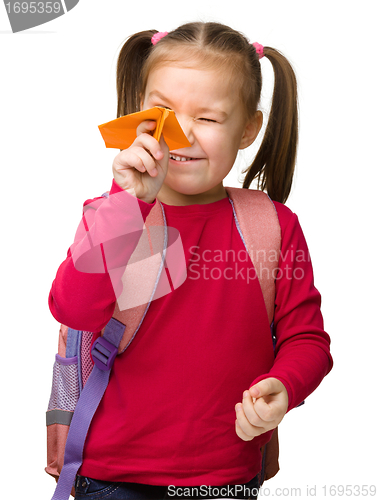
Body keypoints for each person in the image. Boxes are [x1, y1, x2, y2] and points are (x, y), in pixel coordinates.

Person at [48, 21, 333, 500]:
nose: (179, 133)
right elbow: (73, 309)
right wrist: (126, 202)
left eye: (208, 118)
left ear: (248, 130)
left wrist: (285, 386)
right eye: (162, 111)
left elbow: (307, 338)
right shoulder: (113, 212)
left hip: (227, 476)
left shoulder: (273, 226)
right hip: (113, 476)